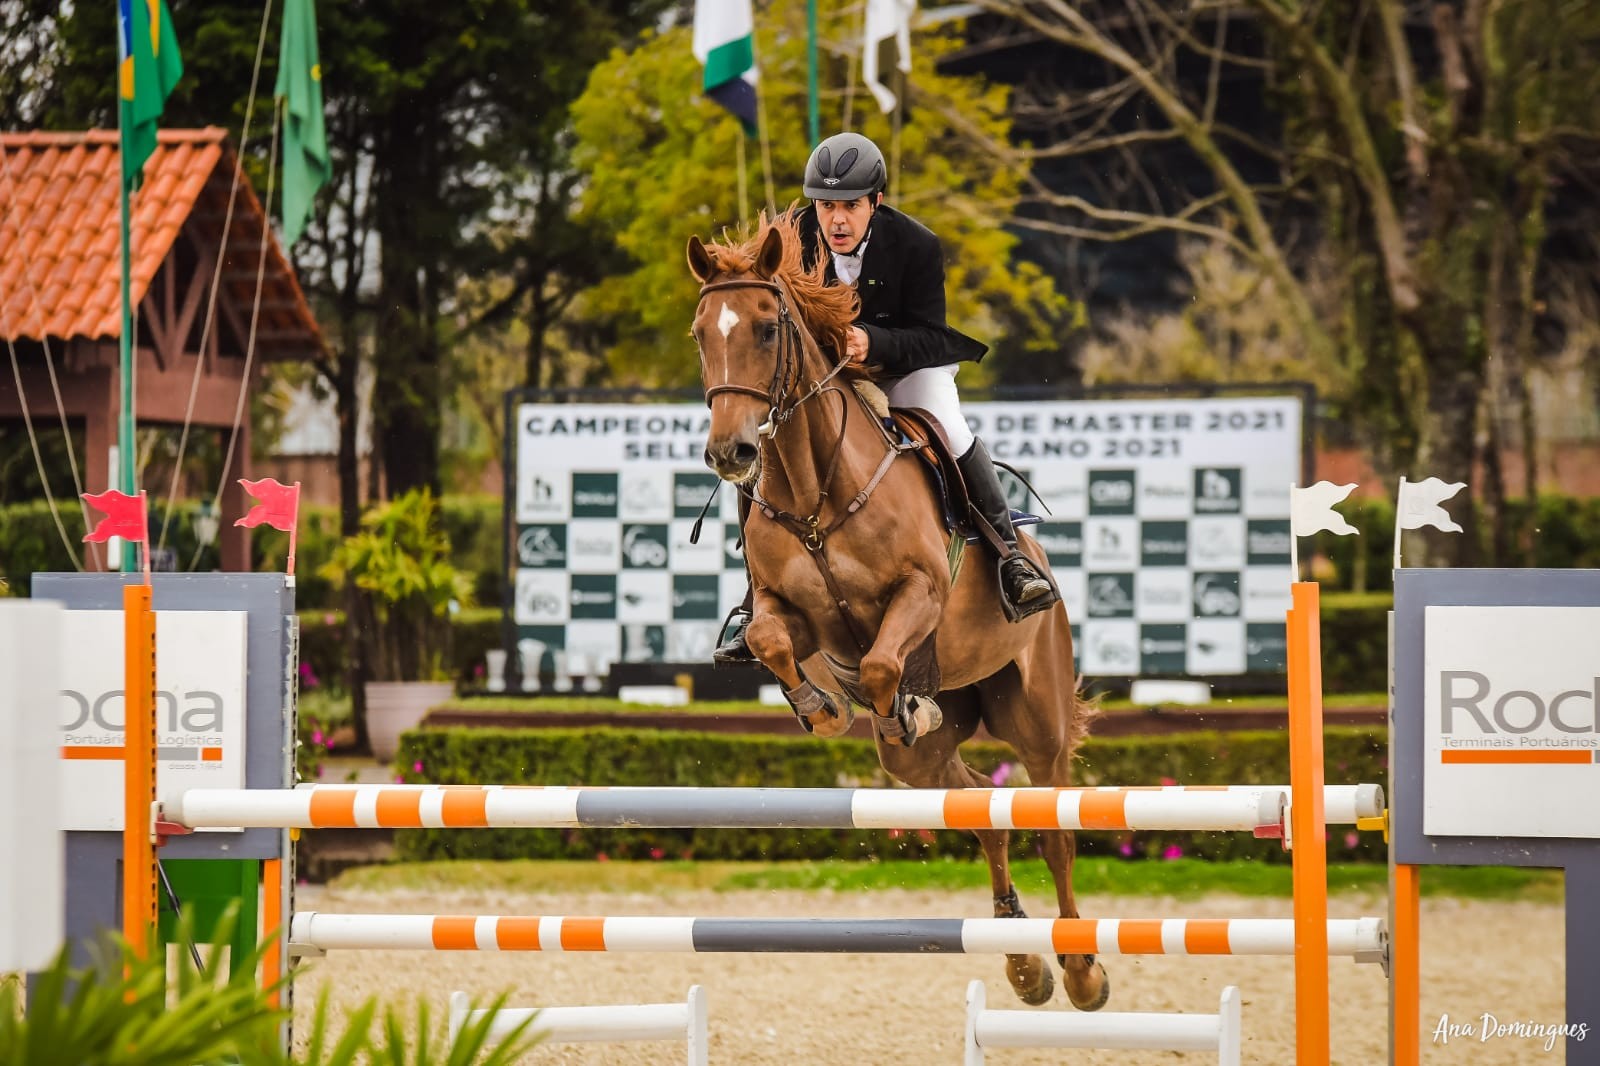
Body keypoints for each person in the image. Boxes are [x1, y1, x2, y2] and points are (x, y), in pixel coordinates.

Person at [714, 132, 1058, 663]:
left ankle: (1010, 557)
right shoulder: (797, 239)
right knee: (770, 446)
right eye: (826, 206)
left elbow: (932, 334)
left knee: (949, 426)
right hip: (827, 376)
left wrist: (875, 342)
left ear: (875, 202)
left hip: (906, 369)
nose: (838, 221)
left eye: (850, 206)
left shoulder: (916, 244)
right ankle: (750, 599)